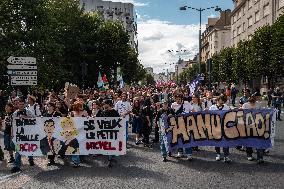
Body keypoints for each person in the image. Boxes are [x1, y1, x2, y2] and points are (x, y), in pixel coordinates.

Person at [11, 99, 35, 173]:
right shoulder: (15, 113)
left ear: (24, 105)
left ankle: (30, 159)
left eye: (22, 104)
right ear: (17, 105)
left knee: (29, 147)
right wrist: (12, 133)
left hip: (27, 133)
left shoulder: (28, 112)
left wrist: (26, 117)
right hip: (19, 134)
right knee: (18, 149)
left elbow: (34, 120)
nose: (21, 105)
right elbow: (13, 124)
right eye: (19, 104)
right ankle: (17, 165)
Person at [242, 94, 265, 164]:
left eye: (254, 98)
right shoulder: (245, 105)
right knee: (249, 141)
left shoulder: (258, 105)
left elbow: (262, 113)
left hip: (257, 126)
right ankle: (249, 154)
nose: (252, 99)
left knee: (259, 141)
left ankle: (260, 157)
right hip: (248, 125)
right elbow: (242, 114)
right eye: (251, 97)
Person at [98, 99, 120, 168]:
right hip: (105, 131)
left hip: (112, 131)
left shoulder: (115, 112)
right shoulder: (103, 112)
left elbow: (118, 121)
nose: (103, 105)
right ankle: (110, 157)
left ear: (109, 104)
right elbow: (99, 120)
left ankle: (110, 159)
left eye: (105, 103)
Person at [209, 94, 231, 162]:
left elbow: (230, 115)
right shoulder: (212, 107)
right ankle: (218, 154)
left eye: (223, 101)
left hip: (224, 127)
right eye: (221, 101)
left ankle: (226, 156)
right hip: (216, 127)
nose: (222, 103)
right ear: (217, 100)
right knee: (217, 141)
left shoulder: (226, 107)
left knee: (226, 141)